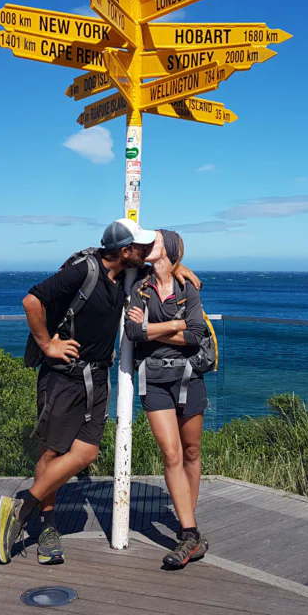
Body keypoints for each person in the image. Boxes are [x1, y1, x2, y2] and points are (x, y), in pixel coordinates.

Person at [0, 218, 199, 566]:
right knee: (51, 451)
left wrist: (181, 267)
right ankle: (46, 526)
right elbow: (32, 301)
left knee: (86, 453)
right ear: (124, 251)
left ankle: (22, 506)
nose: (145, 251)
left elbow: (157, 269)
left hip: (98, 377)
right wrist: (48, 345)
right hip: (63, 375)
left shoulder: (125, 276)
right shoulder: (84, 270)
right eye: (140, 247)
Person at [124, 230, 210, 568]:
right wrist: (173, 325)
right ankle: (191, 533)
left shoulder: (187, 286)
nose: (147, 245)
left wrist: (151, 329)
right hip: (155, 381)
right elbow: (133, 333)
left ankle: (185, 524)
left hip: (189, 377)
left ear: (170, 250)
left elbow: (196, 334)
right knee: (171, 453)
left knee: (191, 452)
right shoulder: (140, 287)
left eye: (155, 241)